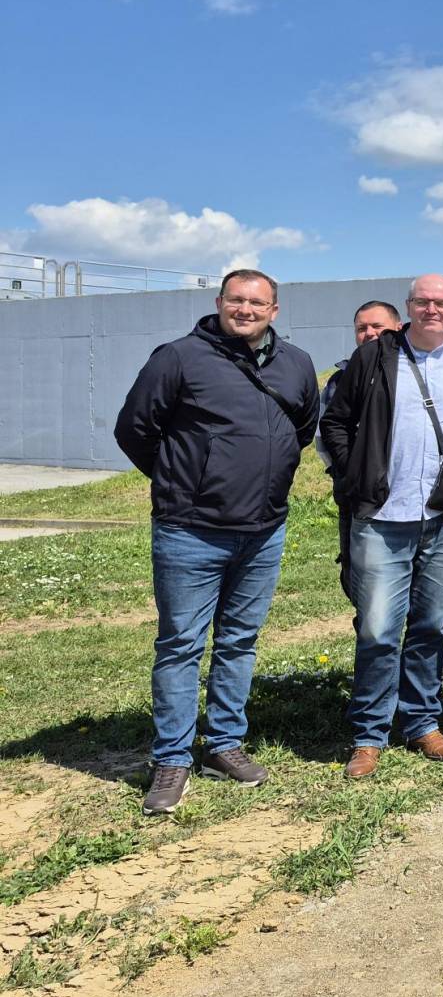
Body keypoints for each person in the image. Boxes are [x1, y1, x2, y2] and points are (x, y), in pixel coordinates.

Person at [114, 268, 319, 816]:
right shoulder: (179, 357)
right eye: (236, 300)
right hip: (191, 531)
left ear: (274, 310)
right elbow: (134, 429)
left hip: (264, 530)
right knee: (181, 645)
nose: (245, 310)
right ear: (219, 301)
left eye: (257, 303)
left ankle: (223, 744)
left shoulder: (296, 363)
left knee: (238, 642)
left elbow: (302, 428)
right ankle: (171, 758)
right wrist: (183, 481)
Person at [320, 274, 443, 780]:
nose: (431, 309)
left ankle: (422, 722)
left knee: (431, 626)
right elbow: (335, 422)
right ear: (409, 307)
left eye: (442, 303)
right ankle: (369, 734)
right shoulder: (375, 357)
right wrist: (355, 475)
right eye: (422, 301)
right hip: (381, 517)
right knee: (377, 630)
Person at [317, 300, 402, 600]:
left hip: (408, 497)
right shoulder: (340, 379)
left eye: (378, 326)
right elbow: (326, 436)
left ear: (398, 328)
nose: (369, 333)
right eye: (361, 328)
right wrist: (353, 473)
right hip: (357, 497)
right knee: (360, 580)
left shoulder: (414, 374)